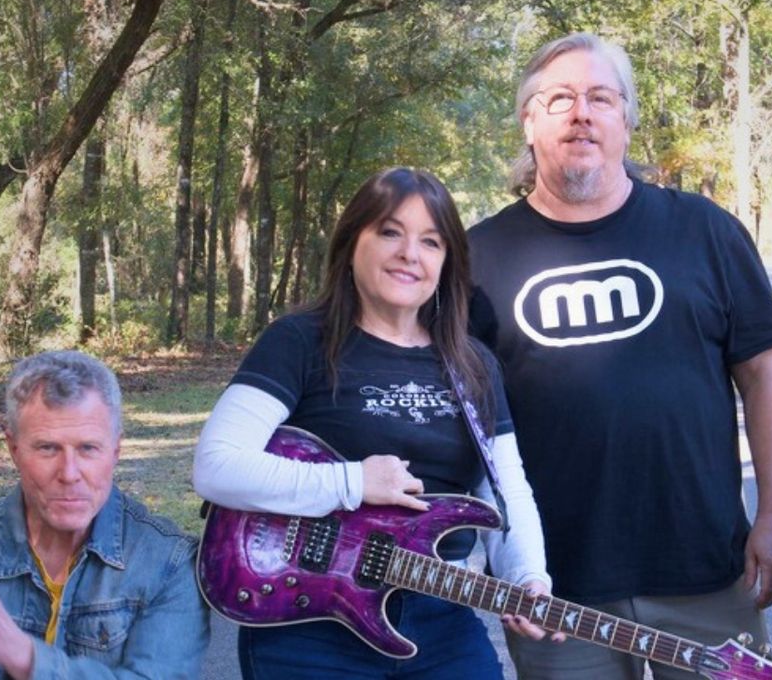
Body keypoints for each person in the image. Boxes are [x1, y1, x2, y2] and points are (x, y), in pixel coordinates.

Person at [467, 32, 772, 679]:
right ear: (529, 121)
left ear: (626, 119)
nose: (581, 113)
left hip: (705, 573)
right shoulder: (477, 260)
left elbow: (765, 377)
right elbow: (463, 422)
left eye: (600, 97)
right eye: (559, 98)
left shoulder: (707, 232)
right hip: (557, 591)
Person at [191, 167, 556, 680]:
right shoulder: (299, 341)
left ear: (447, 262)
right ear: (352, 241)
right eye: (390, 232)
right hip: (309, 620)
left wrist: (526, 575)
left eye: (431, 242)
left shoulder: (473, 363)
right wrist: (353, 481)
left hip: (440, 617)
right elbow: (216, 466)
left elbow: (506, 489)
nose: (411, 253)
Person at [0, 350, 208, 680]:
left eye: (88, 448)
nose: (69, 473)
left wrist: (23, 655)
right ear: (14, 449)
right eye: (48, 448)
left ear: (116, 451)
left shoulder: (168, 562)